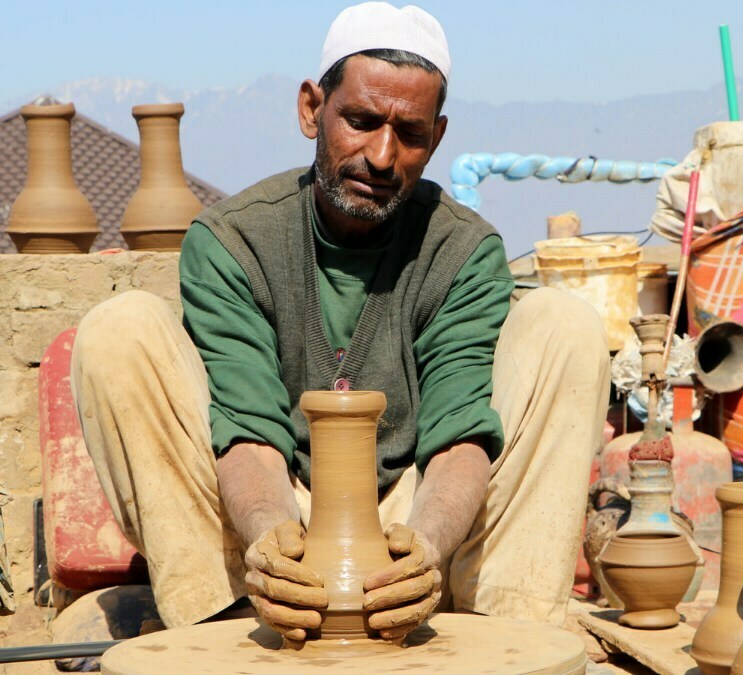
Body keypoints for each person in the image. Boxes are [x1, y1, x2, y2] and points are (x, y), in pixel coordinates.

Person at [71, 1, 608, 645]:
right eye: (360, 121)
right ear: (311, 110)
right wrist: (273, 542)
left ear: (436, 139)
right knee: (118, 329)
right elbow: (247, 429)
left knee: (565, 325)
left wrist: (426, 550)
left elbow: (459, 429)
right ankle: (220, 627)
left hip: (417, 513)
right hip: (272, 509)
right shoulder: (234, 239)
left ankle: (504, 634)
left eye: (409, 134)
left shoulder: (462, 250)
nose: (382, 157)